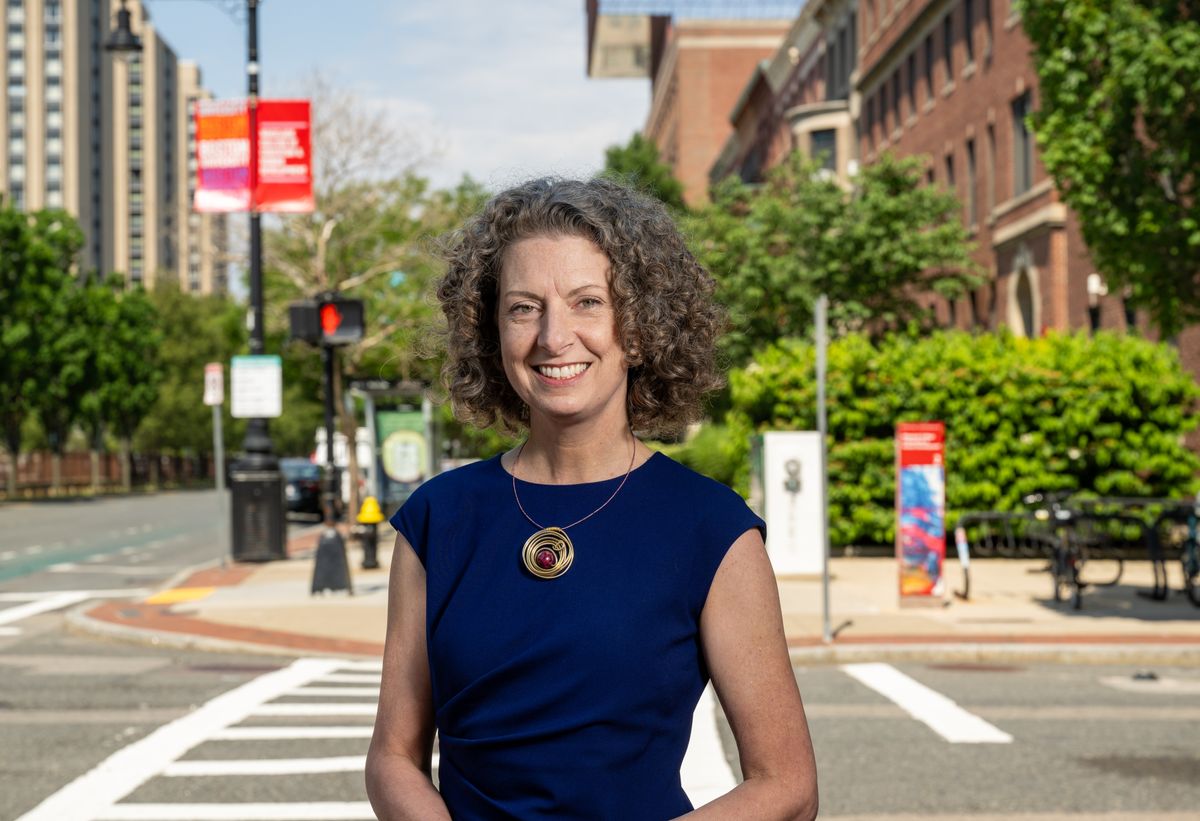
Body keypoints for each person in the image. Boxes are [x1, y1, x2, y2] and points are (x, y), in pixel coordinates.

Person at [365, 177, 818, 820]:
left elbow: (788, 786)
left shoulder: (710, 529)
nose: (554, 336)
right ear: (491, 330)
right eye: (523, 307)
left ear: (641, 327)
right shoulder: (438, 520)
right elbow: (392, 757)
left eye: (587, 302)